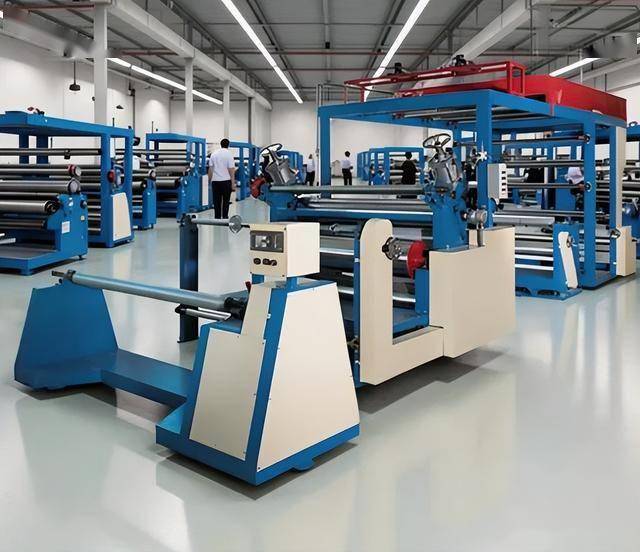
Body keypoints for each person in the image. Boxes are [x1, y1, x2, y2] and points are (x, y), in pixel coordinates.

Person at [208, 138, 236, 219]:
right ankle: (225, 217)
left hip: (215, 181)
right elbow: (231, 169)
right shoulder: (229, 154)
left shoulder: (214, 154)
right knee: (226, 201)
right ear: (228, 145)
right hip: (226, 181)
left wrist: (209, 180)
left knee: (216, 201)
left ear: (221, 144)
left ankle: (217, 217)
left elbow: (210, 169)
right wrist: (233, 183)